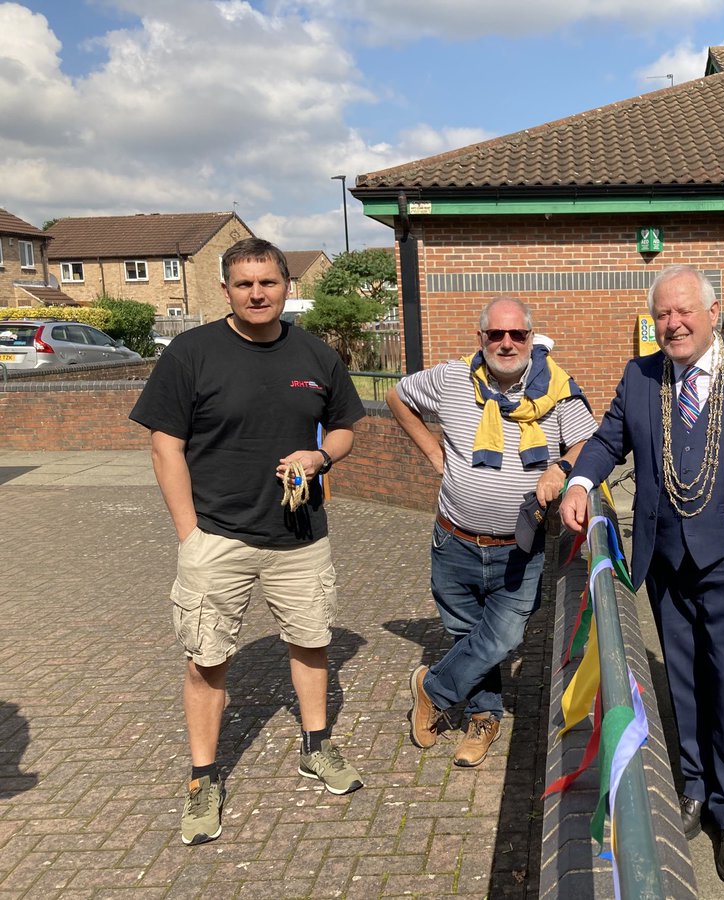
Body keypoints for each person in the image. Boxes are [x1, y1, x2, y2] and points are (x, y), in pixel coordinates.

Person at [130, 238, 367, 847]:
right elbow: (165, 446)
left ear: (287, 285)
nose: (257, 293)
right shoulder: (192, 352)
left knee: (312, 643)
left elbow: (344, 427)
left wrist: (319, 454)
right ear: (226, 289)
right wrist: (190, 535)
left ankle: (316, 747)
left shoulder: (315, 354)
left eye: (268, 282)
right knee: (207, 658)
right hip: (217, 536)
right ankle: (203, 778)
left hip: (300, 536)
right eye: (244, 284)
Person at [560, 265, 724, 884]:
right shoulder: (640, 376)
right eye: (663, 314)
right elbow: (608, 439)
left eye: (685, 311)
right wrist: (581, 480)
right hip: (665, 559)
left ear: (713, 313)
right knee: (683, 680)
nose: (674, 324)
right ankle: (694, 786)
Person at [389, 297, 595, 767]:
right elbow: (397, 396)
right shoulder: (450, 378)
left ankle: (432, 690)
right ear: (480, 339)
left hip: (517, 549)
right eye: (495, 335)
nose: (506, 343)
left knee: (501, 638)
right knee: (466, 634)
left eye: (517, 335)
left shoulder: (557, 389)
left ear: (530, 338)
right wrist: (431, 452)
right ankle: (484, 717)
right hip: (454, 539)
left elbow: (588, 440)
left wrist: (561, 467)